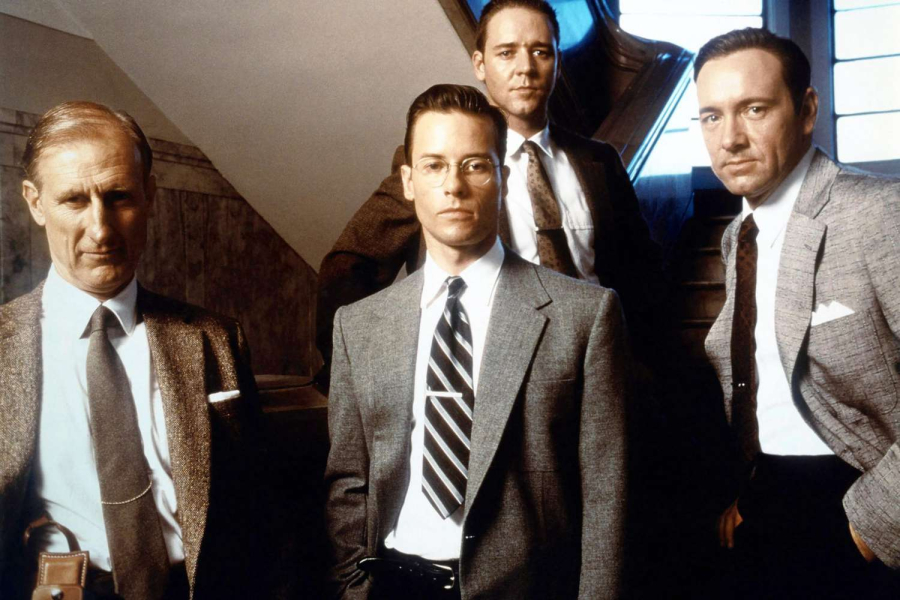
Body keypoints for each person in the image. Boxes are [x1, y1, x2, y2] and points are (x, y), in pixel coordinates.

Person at [324, 84, 628, 599]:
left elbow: (606, 492)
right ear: (408, 182)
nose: (454, 186)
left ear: (502, 178)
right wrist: (353, 589)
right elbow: (348, 482)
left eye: (475, 166)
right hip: (395, 585)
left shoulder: (585, 316)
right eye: (434, 166)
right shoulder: (359, 326)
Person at [315, 0, 660, 388]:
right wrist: (355, 373)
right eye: (506, 52)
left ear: (558, 62)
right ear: (479, 64)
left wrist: (643, 363)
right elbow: (350, 263)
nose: (525, 68)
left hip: (601, 371)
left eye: (541, 52)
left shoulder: (600, 161)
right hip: (493, 379)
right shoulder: (438, 167)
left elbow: (641, 272)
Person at [0, 101, 264, 599]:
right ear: (35, 202)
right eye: (74, 200)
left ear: (150, 195)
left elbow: (259, 507)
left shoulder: (215, 338)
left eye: (119, 197)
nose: (101, 229)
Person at [697, 28, 900, 599]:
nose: (730, 138)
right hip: (771, 496)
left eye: (754, 109)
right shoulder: (740, 236)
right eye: (712, 116)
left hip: (866, 505)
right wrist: (755, 494)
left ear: (807, 110)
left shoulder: (880, 213)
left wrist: (872, 526)